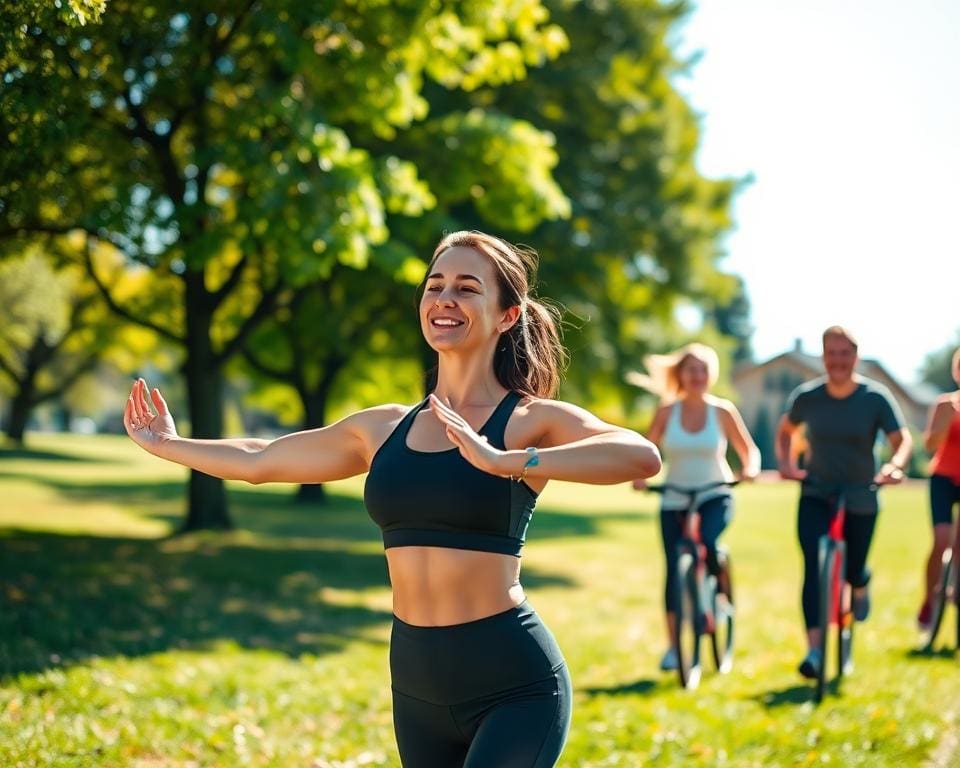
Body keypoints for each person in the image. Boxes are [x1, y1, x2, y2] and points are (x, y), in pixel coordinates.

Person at [123, 230, 661, 768]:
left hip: (515, 687)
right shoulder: (383, 428)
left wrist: (506, 461)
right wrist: (167, 444)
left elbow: (638, 455)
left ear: (507, 316)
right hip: (416, 687)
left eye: (468, 288)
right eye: (435, 285)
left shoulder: (527, 421)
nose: (445, 298)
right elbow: (261, 459)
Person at [775, 326, 912, 679]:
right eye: (831, 353)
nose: (838, 360)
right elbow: (786, 430)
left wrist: (895, 466)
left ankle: (861, 583)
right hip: (817, 491)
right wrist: (787, 464)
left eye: (844, 353)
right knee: (813, 568)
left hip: (861, 491)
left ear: (855, 356)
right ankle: (815, 651)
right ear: (823, 357)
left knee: (853, 570)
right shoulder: (808, 397)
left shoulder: (875, 398)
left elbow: (902, 440)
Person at [627, 342, 760, 672]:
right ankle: (674, 649)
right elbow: (648, 450)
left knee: (709, 542)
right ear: (681, 375)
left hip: (716, 493)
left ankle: (720, 597)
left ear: (710, 374)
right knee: (674, 570)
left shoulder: (722, 411)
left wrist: (750, 469)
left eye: (703, 369)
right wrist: (640, 476)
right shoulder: (666, 412)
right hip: (674, 498)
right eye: (691, 369)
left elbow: (749, 451)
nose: (698, 376)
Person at [917, 347, 960, 630]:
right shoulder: (945, 404)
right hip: (943, 479)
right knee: (942, 539)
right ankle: (930, 599)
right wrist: (945, 425)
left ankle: (956, 592)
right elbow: (930, 446)